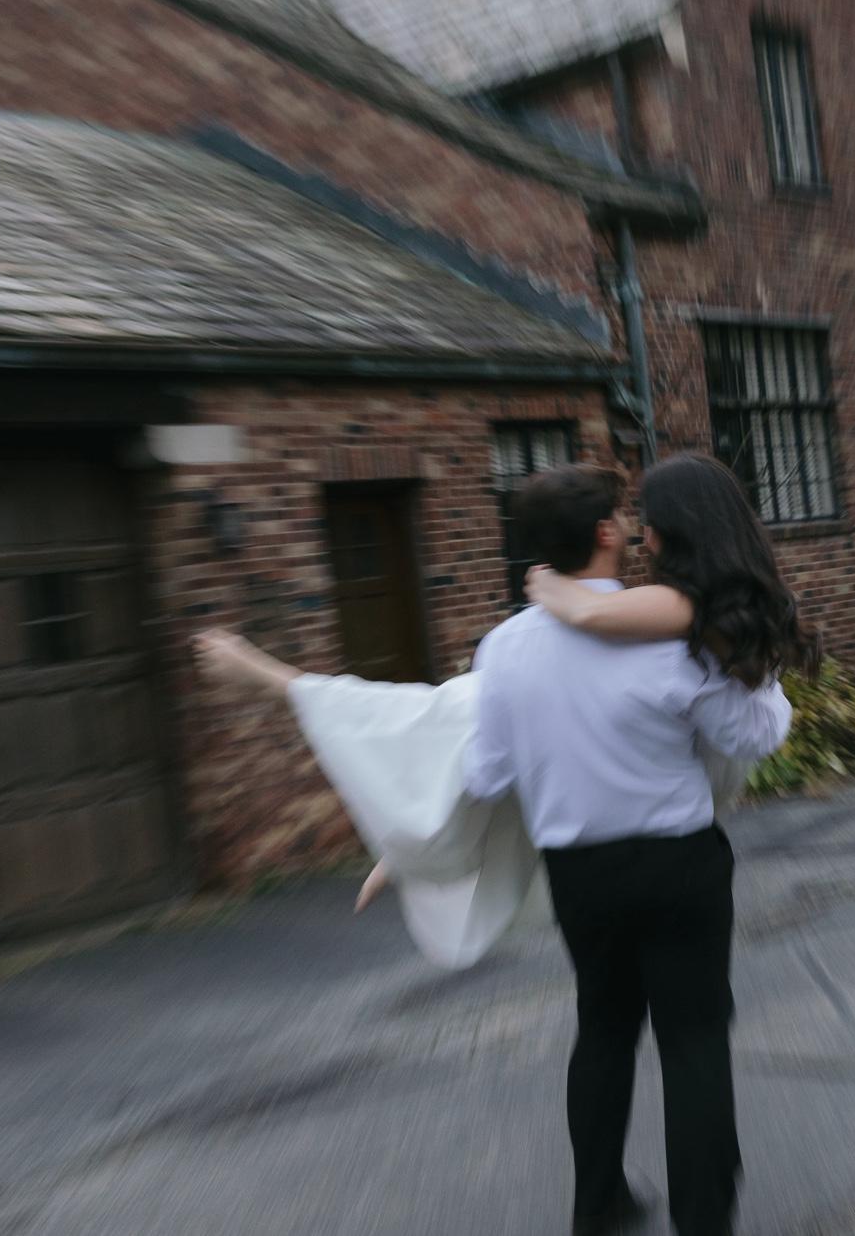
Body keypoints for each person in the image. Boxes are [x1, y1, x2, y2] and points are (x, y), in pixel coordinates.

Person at [196, 454, 816, 1236]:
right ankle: (704, 1223)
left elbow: (483, 775)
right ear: (604, 533)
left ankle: (597, 1206)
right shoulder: (674, 637)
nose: (635, 527)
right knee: (693, 1042)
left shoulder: (507, 650)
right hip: (677, 864)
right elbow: (752, 734)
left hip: (583, 877)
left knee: (604, 1031)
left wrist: (409, 848)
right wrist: (758, 684)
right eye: (623, 517)